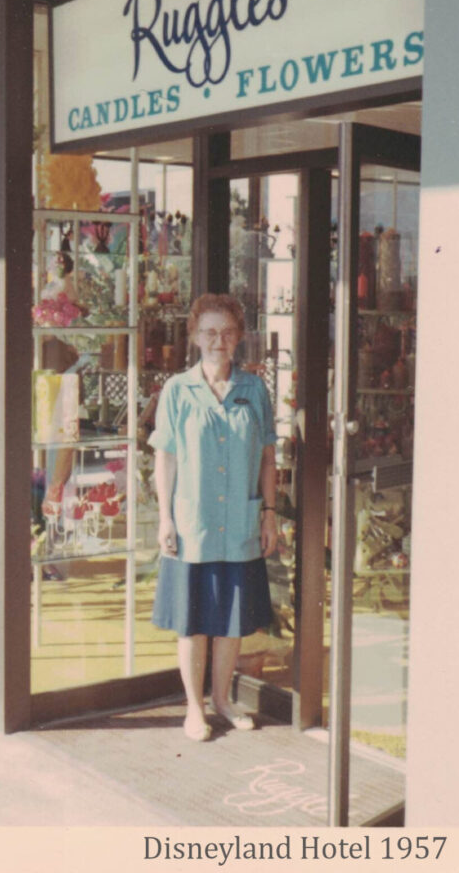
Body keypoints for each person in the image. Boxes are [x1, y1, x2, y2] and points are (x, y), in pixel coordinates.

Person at [149, 293, 279, 741]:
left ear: (239, 337)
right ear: (194, 337)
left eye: (226, 332)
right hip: (192, 523)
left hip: (240, 523)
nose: (217, 340)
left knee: (230, 623)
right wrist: (165, 518)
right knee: (193, 622)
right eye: (209, 332)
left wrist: (270, 513)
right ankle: (194, 709)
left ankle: (222, 700)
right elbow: (164, 460)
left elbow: (267, 458)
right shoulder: (177, 390)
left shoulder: (254, 389)